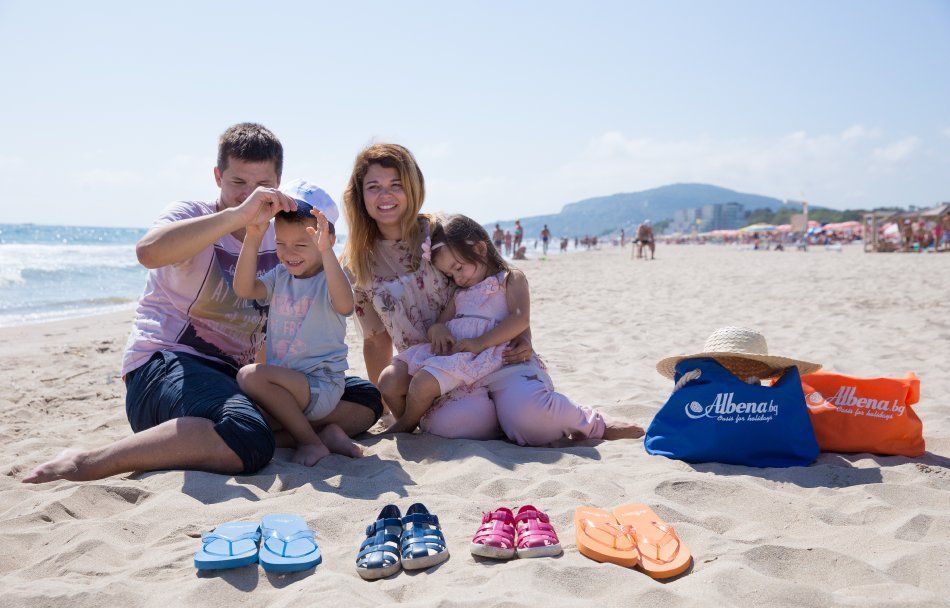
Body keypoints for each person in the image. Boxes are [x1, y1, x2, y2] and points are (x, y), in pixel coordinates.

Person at [24, 124, 381, 484]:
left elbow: (331, 294)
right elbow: (148, 252)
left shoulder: (289, 236)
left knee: (365, 401)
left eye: (262, 186)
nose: (250, 194)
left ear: (278, 183)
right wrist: (239, 216)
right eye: (238, 182)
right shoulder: (192, 213)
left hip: (235, 381)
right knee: (246, 435)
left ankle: (285, 433)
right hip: (167, 365)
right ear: (217, 176)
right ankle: (89, 461)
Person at [344, 143, 642, 444]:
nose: (385, 195)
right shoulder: (357, 263)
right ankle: (492, 415)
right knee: (460, 425)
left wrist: (524, 338)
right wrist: (384, 402)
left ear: (412, 185)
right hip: (432, 366)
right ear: (360, 195)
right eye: (373, 187)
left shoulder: (437, 233)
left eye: (396, 184)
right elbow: (375, 338)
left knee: (524, 415)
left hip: (492, 350)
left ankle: (582, 420)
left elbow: (500, 286)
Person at [232, 180, 362, 465]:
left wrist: (327, 253)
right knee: (257, 427)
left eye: (301, 245)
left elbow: (345, 305)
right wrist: (253, 237)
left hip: (320, 385)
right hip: (288, 389)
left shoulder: (329, 278)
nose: (289, 253)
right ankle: (326, 436)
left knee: (249, 376)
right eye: (280, 243)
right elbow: (244, 289)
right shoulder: (281, 276)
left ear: (326, 239)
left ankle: (310, 442)